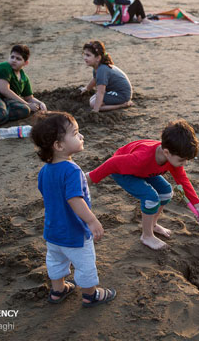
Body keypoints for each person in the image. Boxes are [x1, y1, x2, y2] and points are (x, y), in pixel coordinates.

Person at [31, 111, 117, 308]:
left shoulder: (45, 170)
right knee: (85, 264)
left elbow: (46, 193)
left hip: (52, 231)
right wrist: (91, 220)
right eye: (76, 133)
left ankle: (58, 290)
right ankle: (90, 295)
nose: (81, 136)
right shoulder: (72, 170)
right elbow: (74, 199)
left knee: (55, 261)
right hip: (74, 232)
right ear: (59, 145)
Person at [87, 120, 199, 251]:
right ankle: (147, 235)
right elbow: (113, 163)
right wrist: (91, 177)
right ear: (166, 153)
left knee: (166, 192)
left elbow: (182, 179)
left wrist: (198, 205)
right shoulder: (141, 158)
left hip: (145, 172)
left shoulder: (173, 159)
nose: (184, 164)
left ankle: (153, 225)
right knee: (151, 198)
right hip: (123, 172)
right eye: (181, 160)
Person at [79, 40, 133, 112]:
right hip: (115, 92)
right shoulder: (97, 67)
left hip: (122, 94)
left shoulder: (102, 70)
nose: (85, 58)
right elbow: (95, 79)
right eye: (84, 54)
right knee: (92, 99)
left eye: (88, 55)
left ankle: (122, 105)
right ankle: (116, 103)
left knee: (93, 103)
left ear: (98, 58)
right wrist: (86, 89)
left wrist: (95, 110)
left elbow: (101, 92)